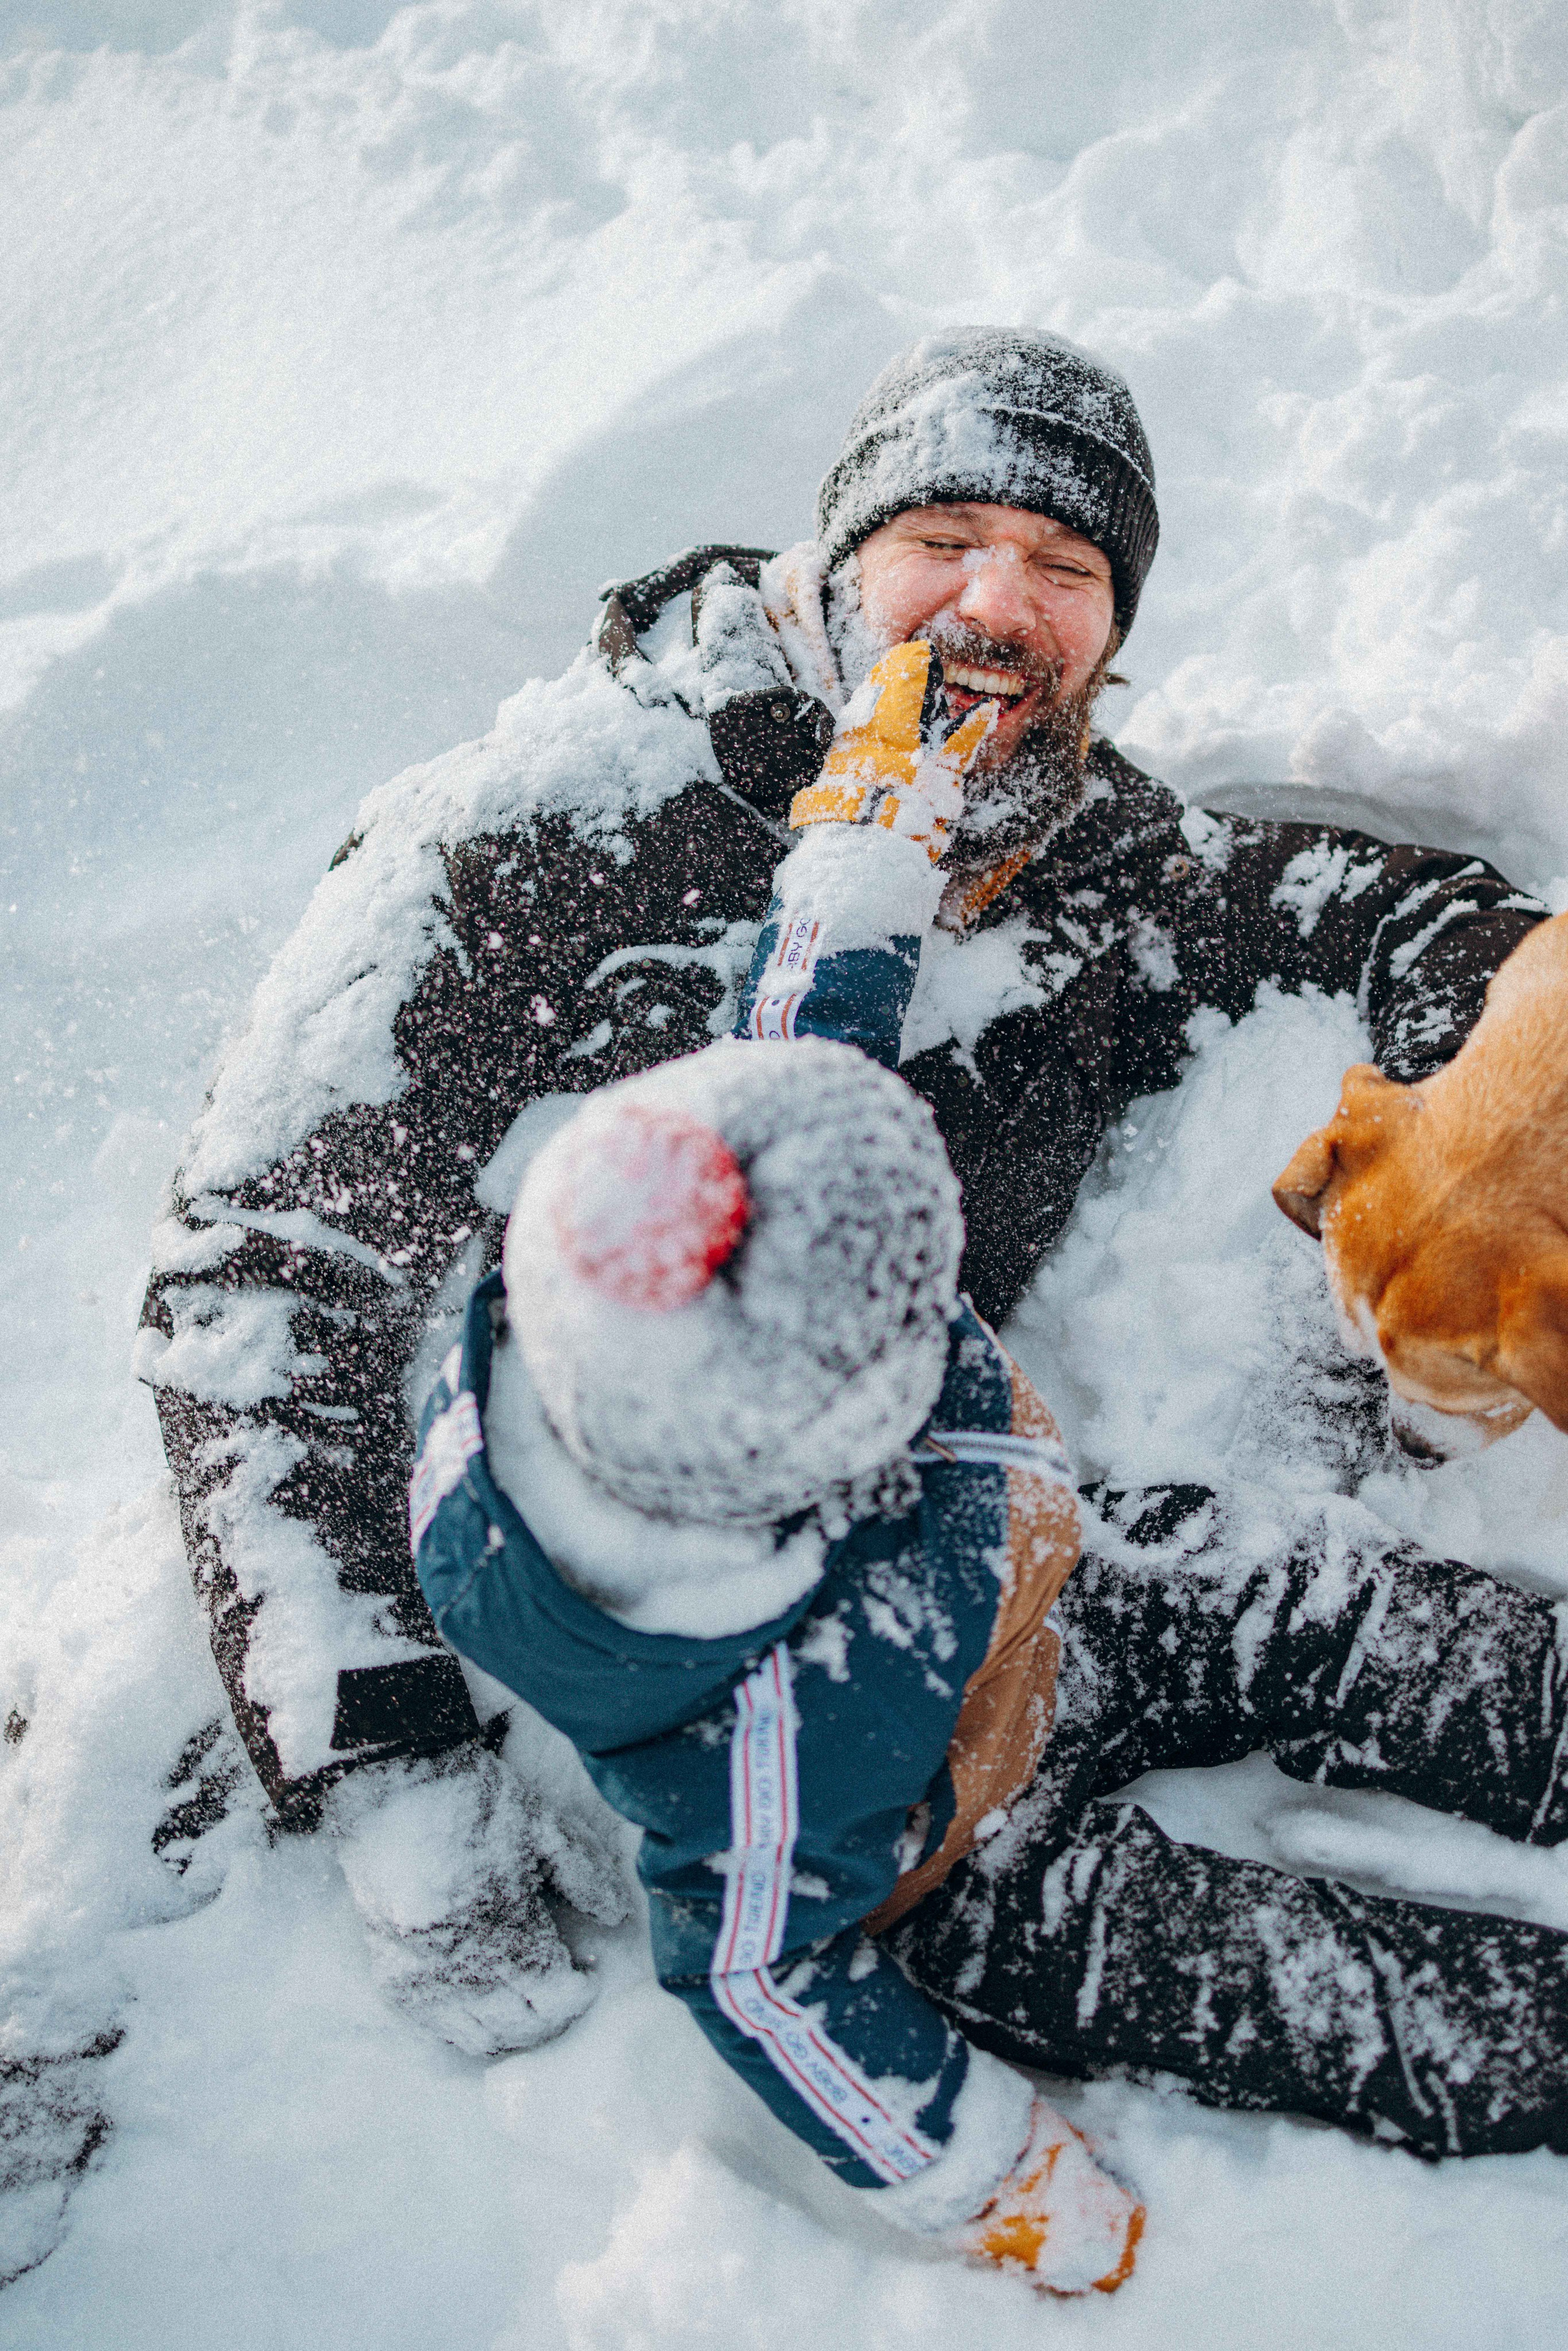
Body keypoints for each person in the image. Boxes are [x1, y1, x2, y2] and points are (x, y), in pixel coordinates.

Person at [139, 326, 1551, 2045]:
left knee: (1341, 1618)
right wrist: (385, 1745)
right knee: (1266, 1981)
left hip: (969, 1531)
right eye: (944, 538)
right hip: (667, 1686)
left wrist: (1506, 1109)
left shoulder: (1091, 839)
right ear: (838, 559)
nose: (997, 601)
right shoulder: (556, 828)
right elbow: (260, 1260)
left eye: (1066, 565)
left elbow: (1387, 910)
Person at [405, 736, 1568, 2289]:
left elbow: (805, 1041)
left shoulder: (736, 1225)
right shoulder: (749, 1729)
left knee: (1335, 1605)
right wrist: (985, 2172)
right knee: (1306, 1987)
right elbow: (757, 1982)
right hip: (961, 1850)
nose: (945, 1336)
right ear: (802, 1455)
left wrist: (867, 845)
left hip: (1051, 1578)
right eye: (910, 1359)